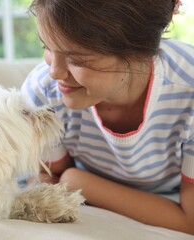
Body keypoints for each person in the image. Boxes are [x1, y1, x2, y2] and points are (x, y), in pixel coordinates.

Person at [21, 0, 194, 235]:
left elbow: (190, 222)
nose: (55, 72)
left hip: (173, 191)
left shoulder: (188, 92)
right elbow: (52, 179)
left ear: (138, 51)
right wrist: (71, 179)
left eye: (77, 59)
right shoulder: (42, 95)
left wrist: (77, 181)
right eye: (47, 47)